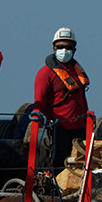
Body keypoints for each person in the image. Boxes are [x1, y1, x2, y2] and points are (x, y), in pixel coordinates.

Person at [32, 26, 90, 164]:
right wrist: (42, 131)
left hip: (80, 131)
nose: (64, 50)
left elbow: (82, 99)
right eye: (60, 46)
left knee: (79, 166)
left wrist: (89, 124)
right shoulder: (45, 73)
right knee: (59, 165)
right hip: (59, 130)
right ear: (54, 48)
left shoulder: (77, 73)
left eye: (68, 47)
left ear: (74, 50)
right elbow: (39, 103)